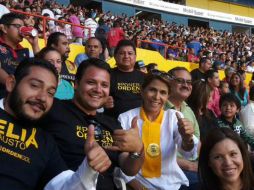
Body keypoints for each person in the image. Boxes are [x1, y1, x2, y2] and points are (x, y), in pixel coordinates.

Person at [0, 58, 111, 190]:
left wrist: (89, 169)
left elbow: (63, 186)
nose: (42, 97)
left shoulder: (46, 143)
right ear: (11, 83)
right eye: (34, 85)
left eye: (50, 93)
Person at [41, 58, 144, 190]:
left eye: (104, 85)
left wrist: (137, 150)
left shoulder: (112, 124)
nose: (98, 89)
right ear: (76, 84)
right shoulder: (53, 108)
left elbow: (130, 169)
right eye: (91, 82)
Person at [118, 72, 199, 190]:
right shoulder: (126, 118)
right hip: (141, 184)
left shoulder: (173, 117)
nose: (157, 97)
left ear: (167, 97)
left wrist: (188, 138)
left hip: (173, 184)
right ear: (142, 91)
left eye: (163, 93)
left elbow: (188, 153)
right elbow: (122, 163)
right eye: (152, 90)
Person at [166, 67, 200, 190]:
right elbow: (155, 152)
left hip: (194, 165)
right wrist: (190, 165)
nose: (186, 85)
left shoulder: (188, 110)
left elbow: (197, 140)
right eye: (180, 81)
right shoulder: (157, 109)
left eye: (189, 82)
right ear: (168, 82)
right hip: (171, 168)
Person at [0, 13, 40, 98]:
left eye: (22, 27)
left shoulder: (25, 51)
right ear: (4, 28)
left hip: (19, 98)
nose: (21, 30)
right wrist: (18, 88)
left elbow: (42, 68)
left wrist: (35, 45)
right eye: (18, 26)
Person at [104, 40, 145, 118]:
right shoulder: (106, 75)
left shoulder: (145, 77)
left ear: (135, 57)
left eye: (130, 53)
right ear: (115, 56)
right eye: (122, 53)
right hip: (113, 122)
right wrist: (102, 102)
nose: (126, 56)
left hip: (140, 122)